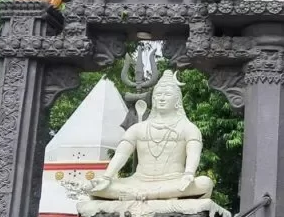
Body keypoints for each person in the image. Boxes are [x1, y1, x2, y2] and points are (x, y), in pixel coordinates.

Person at [89, 71, 215, 202]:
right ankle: (149, 195)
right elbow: (121, 155)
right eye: (158, 95)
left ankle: (141, 196)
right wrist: (107, 177)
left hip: (174, 181)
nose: (161, 98)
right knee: (91, 185)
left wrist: (189, 174)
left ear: (177, 100)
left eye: (167, 95)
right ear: (153, 98)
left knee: (205, 183)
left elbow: (194, 154)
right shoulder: (137, 128)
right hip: (137, 182)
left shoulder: (189, 128)